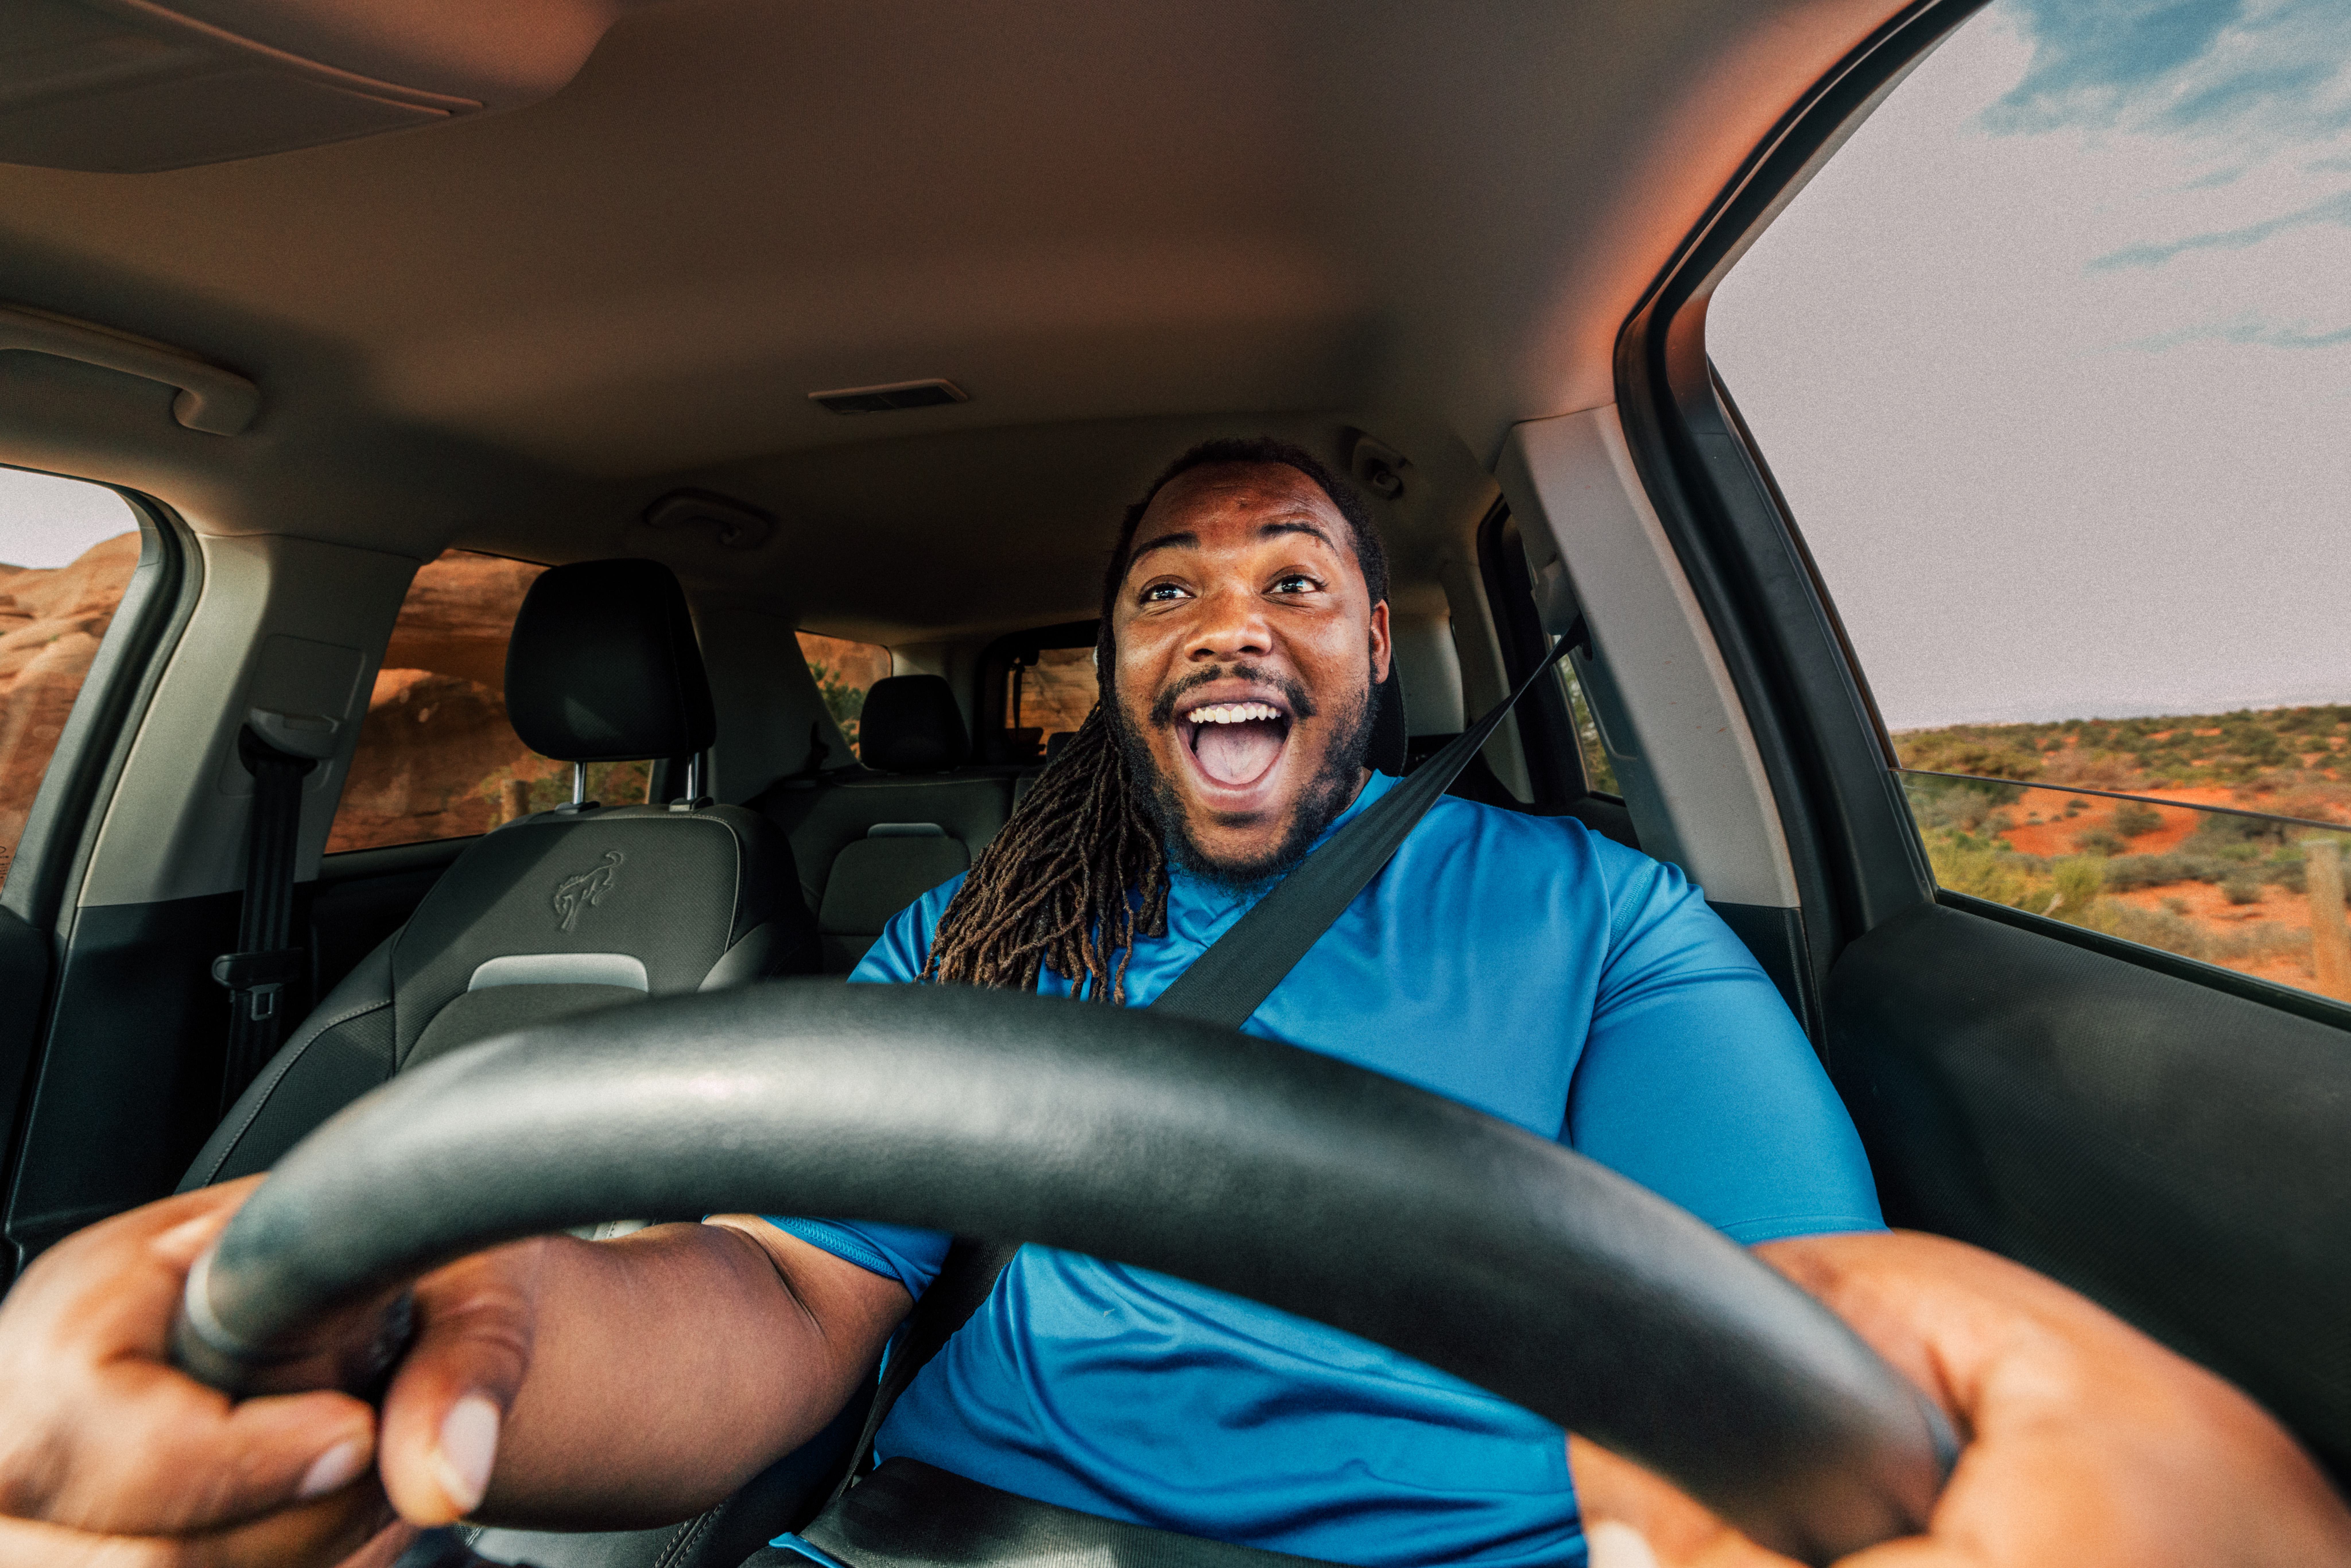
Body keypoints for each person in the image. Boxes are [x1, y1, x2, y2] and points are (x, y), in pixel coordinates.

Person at [0, 440, 2345, 1568]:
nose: (1231, 621)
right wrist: (488, 1312)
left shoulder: (1603, 921)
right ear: (1115, 674)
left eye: (1294, 577)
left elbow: (1773, 1334)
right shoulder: (967, 943)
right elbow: (790, 1299)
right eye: (1167, 591)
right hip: (953, 1540)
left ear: (1371, 652)